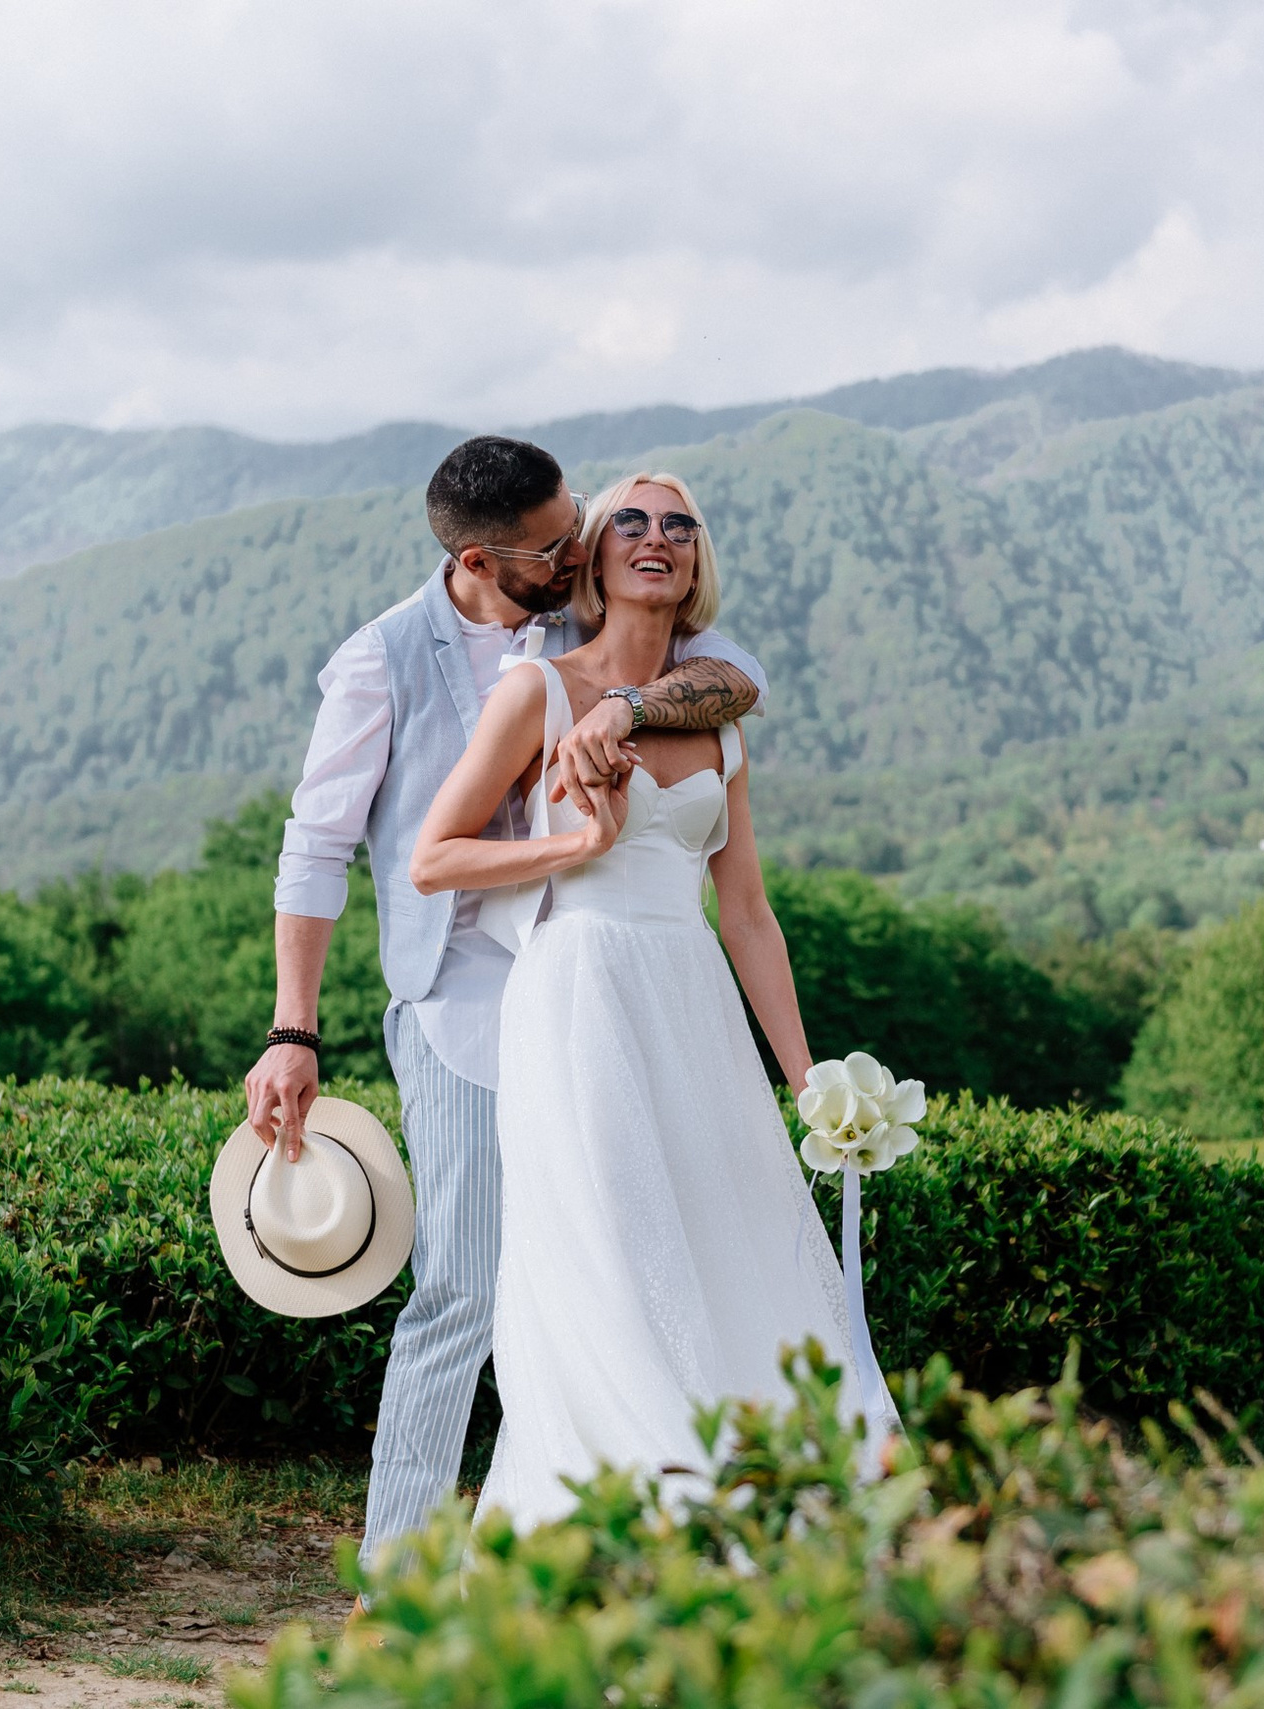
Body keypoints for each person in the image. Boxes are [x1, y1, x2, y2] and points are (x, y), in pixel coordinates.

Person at [244, 436, 769, 1565]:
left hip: (601, 1001)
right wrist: (295, 1024)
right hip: (466, 1007)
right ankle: (399, 1572)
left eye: (588, 519)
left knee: (625, 1271)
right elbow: (315, 849)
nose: (588, 545)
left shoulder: (588, 624)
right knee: (467, 1288)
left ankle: (618, 1537)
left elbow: (736, 680)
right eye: (559, 540)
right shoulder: (381, 660)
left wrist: (621, 705)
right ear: (484, 560)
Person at [409, 471, 862, 1526]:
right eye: (629, 521)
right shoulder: (536, 693)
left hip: (689, 996)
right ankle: (634, 1515)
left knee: (722, 1235)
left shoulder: (721, 718)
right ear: (594, 560)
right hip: (577, 995)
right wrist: (576, 843)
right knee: (609, 1247)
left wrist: (809, 1081)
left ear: (696, 560)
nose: (657, 536)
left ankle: (746, 1502)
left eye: (680, 525)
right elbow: (433, 857)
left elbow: (746, 913)